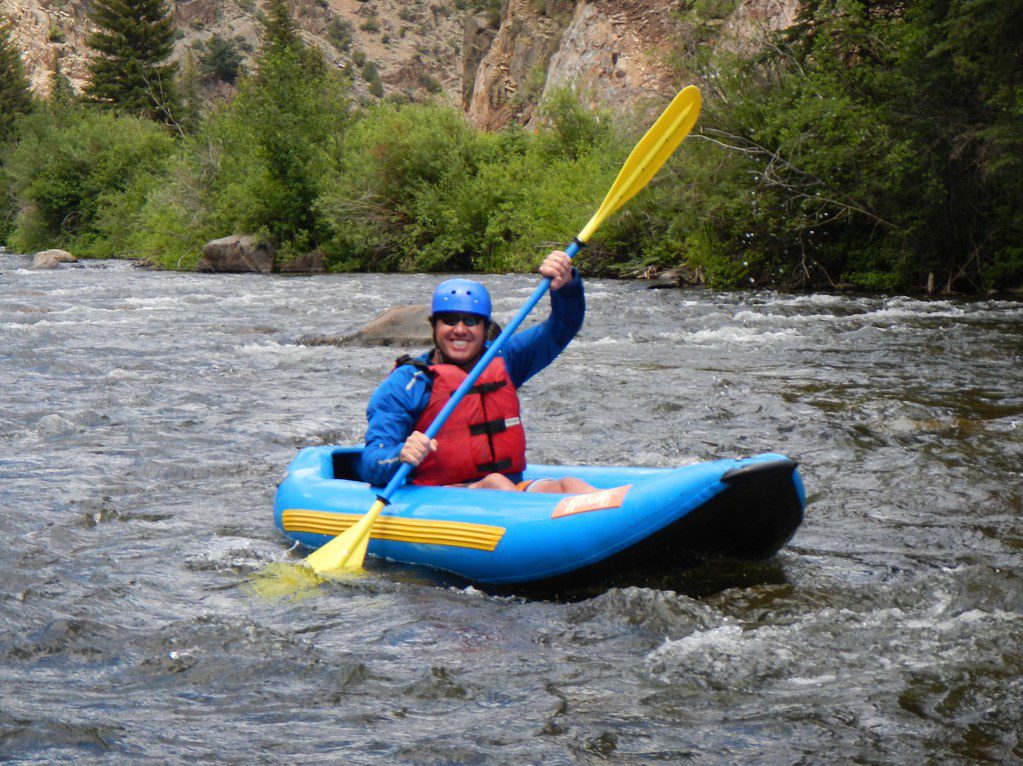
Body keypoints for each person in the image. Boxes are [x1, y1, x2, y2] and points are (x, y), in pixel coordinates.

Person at [360, 250, 596, 494]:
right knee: (496, 483)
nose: (460, 330)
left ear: (486, 329)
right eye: (450, 320)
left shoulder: (506, 359)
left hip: (511, 489)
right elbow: (371, 462)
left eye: (471, 321)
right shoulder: (408, 383)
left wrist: (566, 286)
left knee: (570, 485)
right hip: (443, 495)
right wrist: (401, 454)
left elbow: (562, 328)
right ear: (434, 327)